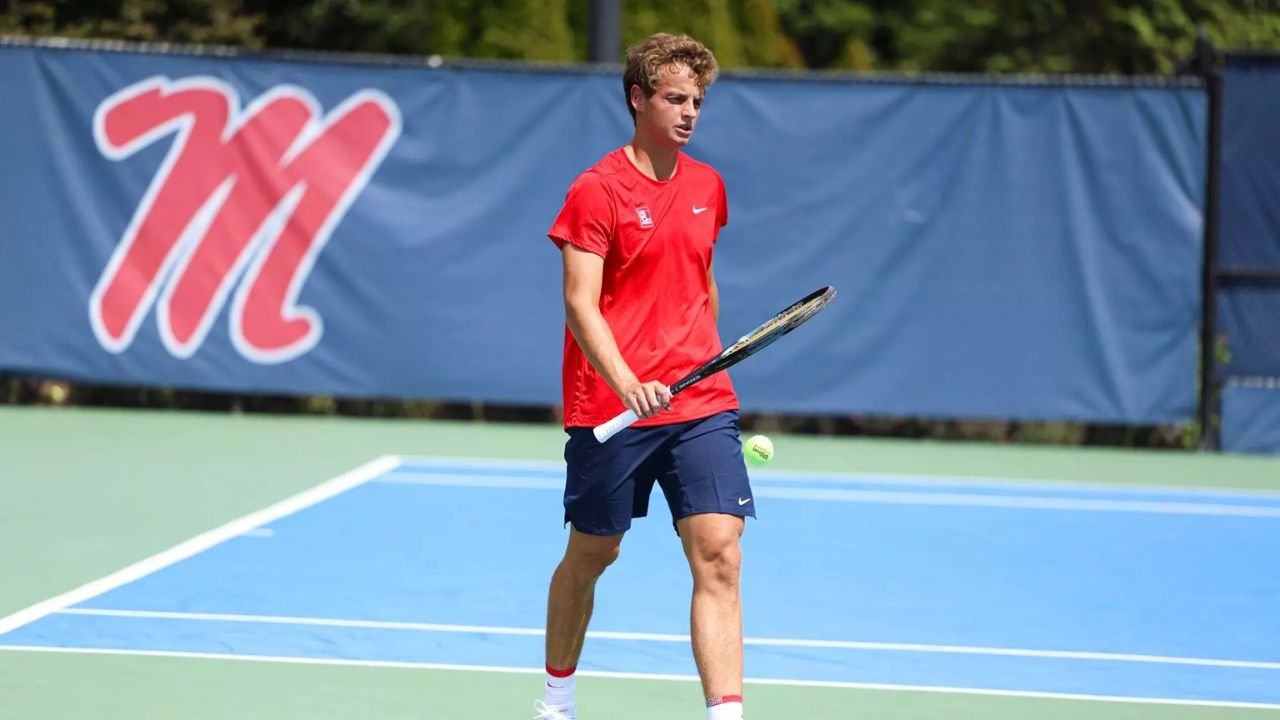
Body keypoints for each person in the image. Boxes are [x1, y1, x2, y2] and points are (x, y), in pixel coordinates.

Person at [534, 32, 752, 720]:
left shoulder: (708, 186)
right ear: (638, 98)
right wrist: (628, 381)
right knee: (593, 554)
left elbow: (700, 282)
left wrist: (706, 358)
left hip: (700, 401)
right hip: (613, 406)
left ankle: (725, 712)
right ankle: (557, 698)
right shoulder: (595, 190)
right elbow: (579, 300)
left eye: (698, 101)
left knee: (719, 551)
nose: (690, 112)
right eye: (676, 98)